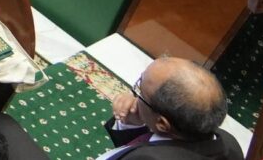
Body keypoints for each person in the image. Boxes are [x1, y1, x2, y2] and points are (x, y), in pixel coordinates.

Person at [100, 59, 240, 160]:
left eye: (140, 91)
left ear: (162, 124)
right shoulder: (228, 143)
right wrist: (132, 123)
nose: (134, 97)